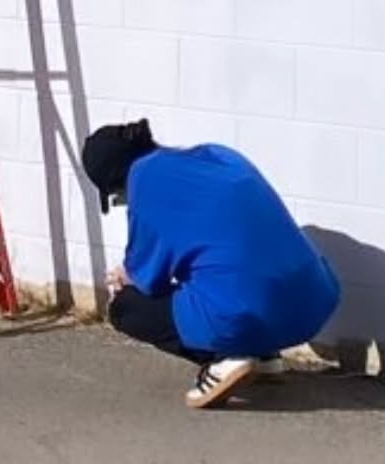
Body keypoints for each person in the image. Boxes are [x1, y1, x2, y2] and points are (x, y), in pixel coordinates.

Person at [82, 119, 341, 409]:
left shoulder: (144, 181)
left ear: (118, 181)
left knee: (126, 307)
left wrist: (122, 278)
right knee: (229, 277)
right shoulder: (219, 155)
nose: (125, 203)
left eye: (118, 198)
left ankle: (228, 358)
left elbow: (148, 280)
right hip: (314, 304)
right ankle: (265, 354)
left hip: (248, 315)